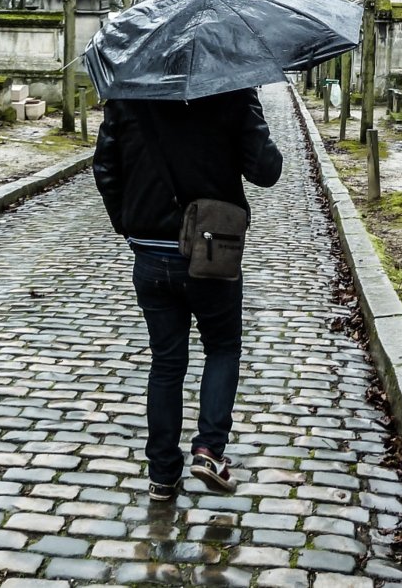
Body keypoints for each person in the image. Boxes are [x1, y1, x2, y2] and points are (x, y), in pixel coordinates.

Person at [93, 87, 283, 501]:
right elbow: (266, 170)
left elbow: (104, 168)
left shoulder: (129, 93)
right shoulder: (231, 92)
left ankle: (162, 475)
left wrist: (127, 224)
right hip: (211, 249)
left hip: (149, 251)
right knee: (222, 347)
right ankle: (209, 450)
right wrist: (250, 113)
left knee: (166, 363)